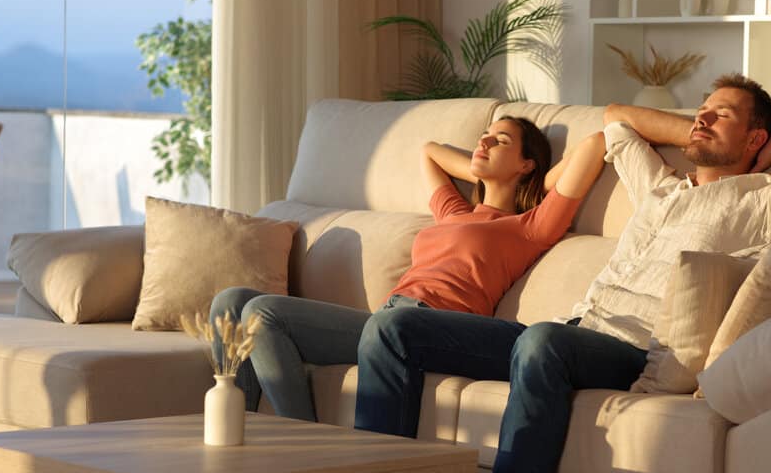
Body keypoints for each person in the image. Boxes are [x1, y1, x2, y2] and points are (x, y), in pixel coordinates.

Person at [351, 74, 771, 473]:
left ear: (755, 137)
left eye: (721, 114)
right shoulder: (661, 187)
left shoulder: (767, 198)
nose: (701, 117)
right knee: (392, 329)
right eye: (700, 109)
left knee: (541, 342)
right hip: (568, 330)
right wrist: (696, 128)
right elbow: (617, 117)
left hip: (629, 350)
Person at [209, 114, 607, 423]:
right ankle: (239, 442)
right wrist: (483, 166)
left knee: (263, 314)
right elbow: (429, 151)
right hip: (385, 321)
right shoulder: (455, 212)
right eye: (482, 136)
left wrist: (539, 180)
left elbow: (595, 143)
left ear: (526, 165)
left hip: (437, 327)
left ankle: (307, 450)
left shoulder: (529, 226)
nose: (483, 142)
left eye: (500, 141)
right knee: (230, 303)